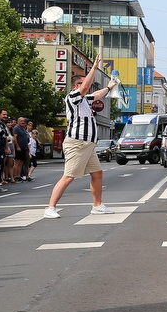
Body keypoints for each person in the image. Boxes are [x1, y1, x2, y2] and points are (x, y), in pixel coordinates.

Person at [44, 57, 119, 218]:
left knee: (97, 173)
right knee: (69, 176)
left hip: (87, 144)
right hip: (77, 143)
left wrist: (109, 87)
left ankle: (97, 205)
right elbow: (86, 88)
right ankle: (50, 207)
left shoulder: (85, 99)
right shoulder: (73, 97)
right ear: (76, 86)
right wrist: (94, 67)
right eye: (85, 83)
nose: (89, 85)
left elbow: (97, 95)